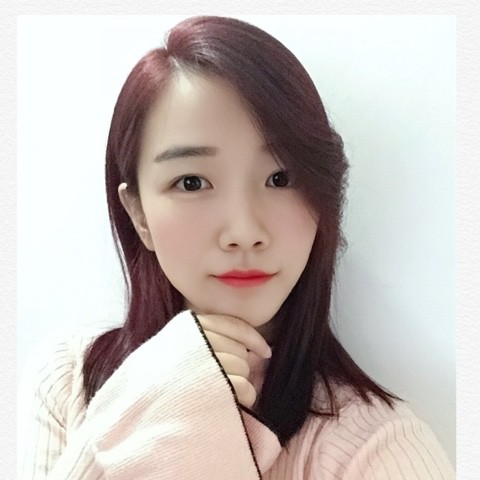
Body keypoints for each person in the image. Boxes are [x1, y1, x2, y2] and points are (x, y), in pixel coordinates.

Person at [21, 16, 454, 479]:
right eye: (192, 182)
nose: (244, 231)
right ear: (139, 214)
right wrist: (134, 413)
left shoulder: (379, 451)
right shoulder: (70, 381)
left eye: (280, 178)